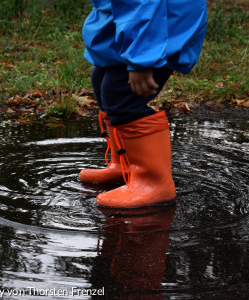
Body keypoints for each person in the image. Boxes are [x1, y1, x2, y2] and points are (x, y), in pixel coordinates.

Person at [79, 0, 207, 208]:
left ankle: (154, 184)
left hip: (160, 25)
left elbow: (143, 5)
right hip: (137, 21)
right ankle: (125, 165)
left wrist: (142, 60)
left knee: (121, 95)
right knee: (101, 79)